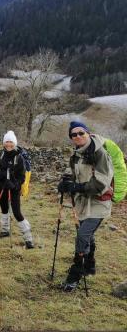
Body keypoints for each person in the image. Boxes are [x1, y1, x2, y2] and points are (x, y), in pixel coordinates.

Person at [57, 121, 113, 292]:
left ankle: (75, 274)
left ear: (88, 133)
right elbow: (71, 172)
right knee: (87, 235)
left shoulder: (99, 153)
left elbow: (102, 182)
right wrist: (65, 183)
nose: (78, 136)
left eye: (81, 133)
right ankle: (90, 266)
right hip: (82, 202)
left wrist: (78, 188)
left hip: (99, 201)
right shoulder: (76, 154)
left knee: (82, 235)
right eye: (74, 135)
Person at [0, 131, 34, 249]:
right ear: (4, 143)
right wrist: (1, 175)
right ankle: (5, 230)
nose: (8, 144)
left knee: (16, 213)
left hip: (14, 189)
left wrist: (14, 185)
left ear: (14, 143)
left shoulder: (19, 158)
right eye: (6, 142)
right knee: (4, 208)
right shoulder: (1, 155)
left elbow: (22, 177)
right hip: (2, 186)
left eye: (10, 142)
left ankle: (28, 239)